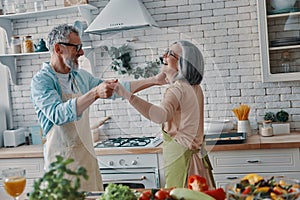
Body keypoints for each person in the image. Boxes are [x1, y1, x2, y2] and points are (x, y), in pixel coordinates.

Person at [30, 24, 166, 191]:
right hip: (61, 169)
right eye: (77, 47)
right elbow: (58, 114)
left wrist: (154, 80)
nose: (81, 52)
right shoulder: (42, 81)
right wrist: (94, 93)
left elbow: (117, 88)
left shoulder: (80, 77)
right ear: (58, 49)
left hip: (86, 162)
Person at [114, 40, 216, 188]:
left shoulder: (177, 89)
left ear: (183, 63)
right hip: (196, 161)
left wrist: (127, 95)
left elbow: (160, 116)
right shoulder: (194, 87)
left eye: (170, 54)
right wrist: (155, 80)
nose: (164, 56)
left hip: (183, 164)